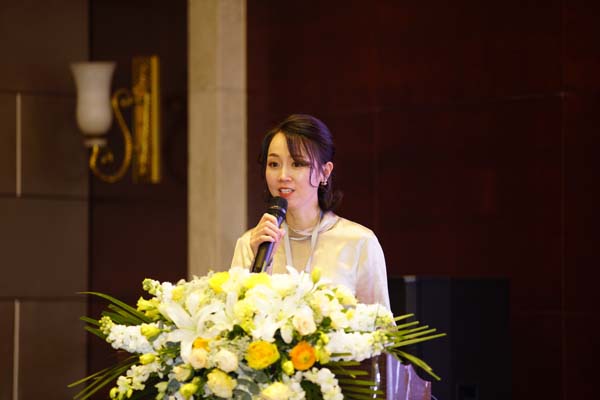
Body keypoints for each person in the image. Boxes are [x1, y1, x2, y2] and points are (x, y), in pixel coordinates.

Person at [231, 114, 390, 309]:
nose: (283, 176)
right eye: (274, 164)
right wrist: (261, 267)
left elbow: (381, 325)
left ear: (325, 172)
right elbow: (235, 321)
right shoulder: (251, 243)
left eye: (297, 163)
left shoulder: (359, 242)